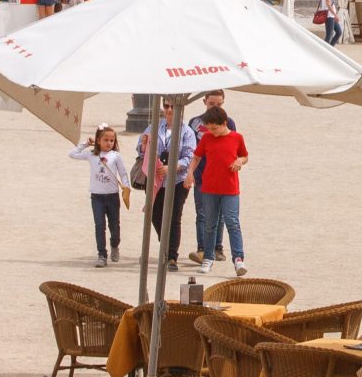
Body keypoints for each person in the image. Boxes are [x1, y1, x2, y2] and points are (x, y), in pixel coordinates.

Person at [190, 109, 250, 277]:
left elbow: (245, 156)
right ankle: (208, 258)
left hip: (230, 189)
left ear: (224, 123)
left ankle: (238, 259)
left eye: (215, 128)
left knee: (232, 222)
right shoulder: (207, 138)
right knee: (210, 224)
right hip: (209, 188)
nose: (212, 132)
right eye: (210, 128)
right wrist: (190, 174)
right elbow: (196, 156)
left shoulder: (237, 137)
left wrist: (239, 161)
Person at [135, 101, 195, 268]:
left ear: (180, 108)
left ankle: (171, 256)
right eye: (167, 106)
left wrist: (173, 167)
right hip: (156, 180)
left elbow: (189, 155)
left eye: (173, 107)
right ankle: (166, 246)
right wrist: (144, 144)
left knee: (174, 217)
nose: (169, 110)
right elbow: (140, 150)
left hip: (177, 179)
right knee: (154, 214)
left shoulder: (187, 132)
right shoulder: (154, 126)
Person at [69, 124, 129, 267]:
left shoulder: (116, 156)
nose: (109, 143)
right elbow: (72, 154)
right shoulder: (92, 154)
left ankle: (115, 245)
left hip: (112, 196)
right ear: (98, 141)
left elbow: (123, 173)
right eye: (106, 140)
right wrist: (85, 144)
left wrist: (126, 186)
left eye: (112, 140)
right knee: (99, 225)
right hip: (97, 196)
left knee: (114, 226)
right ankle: (102, 254)